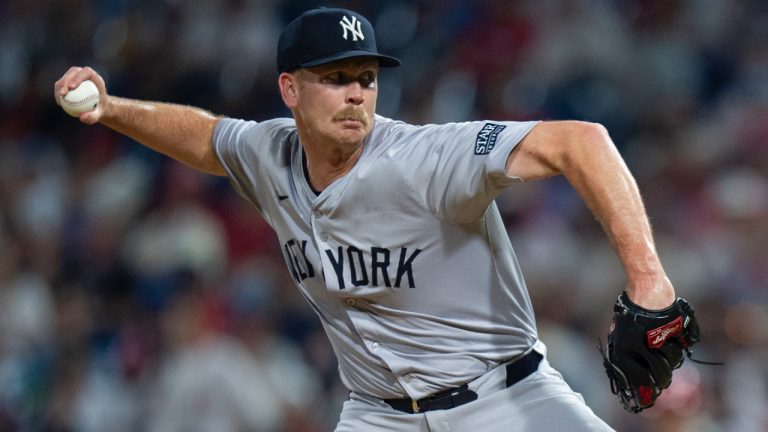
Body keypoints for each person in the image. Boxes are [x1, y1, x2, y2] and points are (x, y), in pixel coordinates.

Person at [54, 7, 683, 431]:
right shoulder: (269, 153)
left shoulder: (422, 160)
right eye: (334, 78)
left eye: (365, 77)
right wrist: (111, 108)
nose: (356, 92)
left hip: (505, 400)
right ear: (290, 90)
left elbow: (582, 141)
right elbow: (206, 137)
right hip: (377, 415)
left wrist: (649, 281)